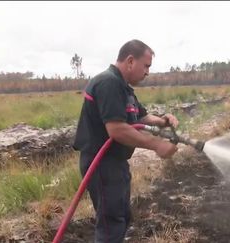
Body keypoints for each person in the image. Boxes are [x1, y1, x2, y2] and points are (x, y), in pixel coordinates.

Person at [73, 39, 179, 243]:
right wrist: (156, 145)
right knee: (111, 223)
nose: (148, 71)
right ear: (131, 61)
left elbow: (140, 116)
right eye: (146, 65)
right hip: (101, 164)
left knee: (121, 217)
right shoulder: (108, 82)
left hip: (115, 164)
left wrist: (164, 121)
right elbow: (117, 129)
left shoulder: (123, 87)